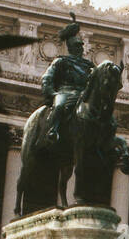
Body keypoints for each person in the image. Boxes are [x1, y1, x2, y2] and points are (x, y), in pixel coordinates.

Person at [41, 15, 95, 147]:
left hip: (83, 96)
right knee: (59, 106)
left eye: (80, 47)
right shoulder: (61, 61)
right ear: (71, 48)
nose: (80, 49)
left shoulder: (88, 65)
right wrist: (52, 93)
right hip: (65, 92)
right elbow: (47, 78)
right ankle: (53, 130)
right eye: (77, 47)